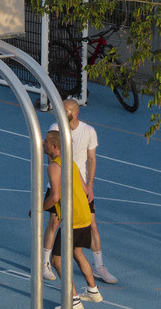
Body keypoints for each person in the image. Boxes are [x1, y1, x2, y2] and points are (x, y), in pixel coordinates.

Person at [46, 98, 116, 285]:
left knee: (92, 225)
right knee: (54, 222)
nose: (61, 112)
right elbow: (51, 157)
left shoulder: (88, 131)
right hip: (61, 184)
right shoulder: (56, 127)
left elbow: (92, 159)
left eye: (65, 109)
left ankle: (99, 266)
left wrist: (90, 186)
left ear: (75, 113)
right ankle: (45, 263)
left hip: (80, 187)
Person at [43, 130, 101, 305]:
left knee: (56, 260)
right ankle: (93, 291)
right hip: (84, 215)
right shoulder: (71, 163)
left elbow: (54, 197)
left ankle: (73, 301)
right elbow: (85, 190)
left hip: (73, 219)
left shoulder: (54, 167)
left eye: (46, 141)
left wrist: (38, 208)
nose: (43, 143)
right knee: (77, 252)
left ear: (54, 146)